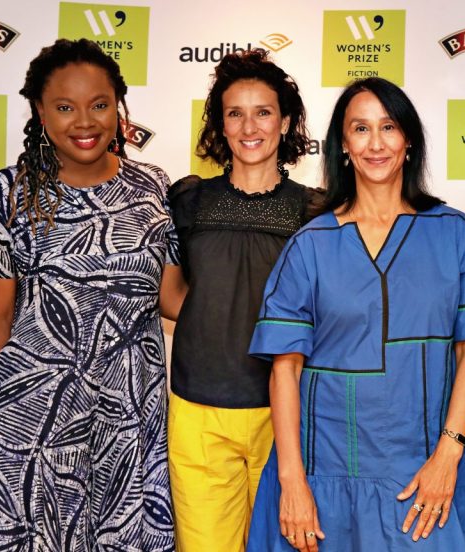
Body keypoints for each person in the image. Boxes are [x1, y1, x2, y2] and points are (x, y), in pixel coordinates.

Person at [245, 77, 465, 552]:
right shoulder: (310, 245)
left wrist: (448, 455)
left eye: (388, 127)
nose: (376, 143)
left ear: (408, 140)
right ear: (343, 145)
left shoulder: (456, 235)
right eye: (360, 129)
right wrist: (293, 482)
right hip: (324, 479)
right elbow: (285, 371)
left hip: (425, 477)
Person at [0, 38, 180, 550]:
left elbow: (171, 298)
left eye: (99, 105)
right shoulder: (8, 193)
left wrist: (261, 295)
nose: (85, 121)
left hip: (128, 417)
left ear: (119, 109)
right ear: (40, 111)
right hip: (30, 419)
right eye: (64, 107)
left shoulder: (153, 187)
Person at [165, 49, 323, 552]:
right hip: (198, 412)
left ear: (286, 121)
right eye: (235, 113)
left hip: (289, 416)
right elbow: (171, 297)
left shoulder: (316, 210)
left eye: (263, 112)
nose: (249, 126)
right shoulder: (188, 199)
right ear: (220, 124)